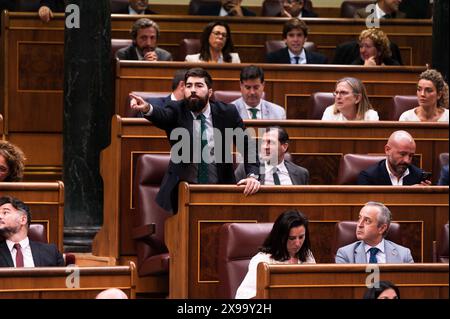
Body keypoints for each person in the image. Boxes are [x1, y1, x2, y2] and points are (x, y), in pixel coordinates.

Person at [129, 67, 260, 213]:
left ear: (210, 92)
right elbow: (163, 115)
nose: (193, 90)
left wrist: (252, 176)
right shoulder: (176, 109)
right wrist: (147, 108)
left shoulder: (227, 113)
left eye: (198, 86)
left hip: (220, 188)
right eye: (189, 85)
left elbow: (247, 146)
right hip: (183, 192)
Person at [236, 209, 315, 299]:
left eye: (301, 237)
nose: (298, 243)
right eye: (292, 238)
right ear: (281, 237)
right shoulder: (263, 260)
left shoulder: (307, 255)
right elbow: (242, 298)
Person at [336, 201, 414, 264]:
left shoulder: (404, 255)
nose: (359, 225)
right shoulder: (345, 254)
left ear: (382, 228)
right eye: (359, 218)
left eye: (367, 220)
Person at [0, 196, 64, 267]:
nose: (0, 216)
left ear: (23, 219)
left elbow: (61, 278)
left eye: (5, 212)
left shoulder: (51, 252)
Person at [235, 126, 309, 185]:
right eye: (263, 142)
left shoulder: (301, 173)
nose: (265, 147)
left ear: (284, 147)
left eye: (270, 142)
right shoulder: (245, 170)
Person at [358, 130, 431, 186]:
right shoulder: (369, 177)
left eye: (411, 156)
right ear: (387, 150)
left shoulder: (419, 176)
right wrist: (409, 193)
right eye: (402, 154)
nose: (407, 161)